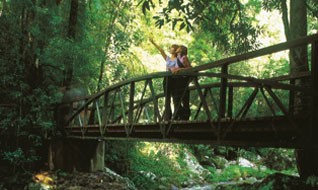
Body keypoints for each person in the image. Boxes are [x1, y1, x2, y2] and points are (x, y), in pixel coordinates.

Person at [149, 38, 179, 120]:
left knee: (175, 98)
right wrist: (153, 42)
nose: (170, 48)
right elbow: (161, 50)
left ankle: (176, 115)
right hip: (167, 79)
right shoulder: (168, 58)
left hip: (174, 79)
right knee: (167, 98)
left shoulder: (178, 59)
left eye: (172, 47)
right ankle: (168, 116)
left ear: (175, 50)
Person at [173, 45, 191, 120]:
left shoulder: (184, 58)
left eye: (179, 48)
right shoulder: (177, 58)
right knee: (176, 98)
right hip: (177, 81)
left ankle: (185, 115)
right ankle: (179, 114)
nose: (177, 49)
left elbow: (189, 68)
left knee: (184, 98)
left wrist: (179, 69)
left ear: (182, 50)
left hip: (183, 80)